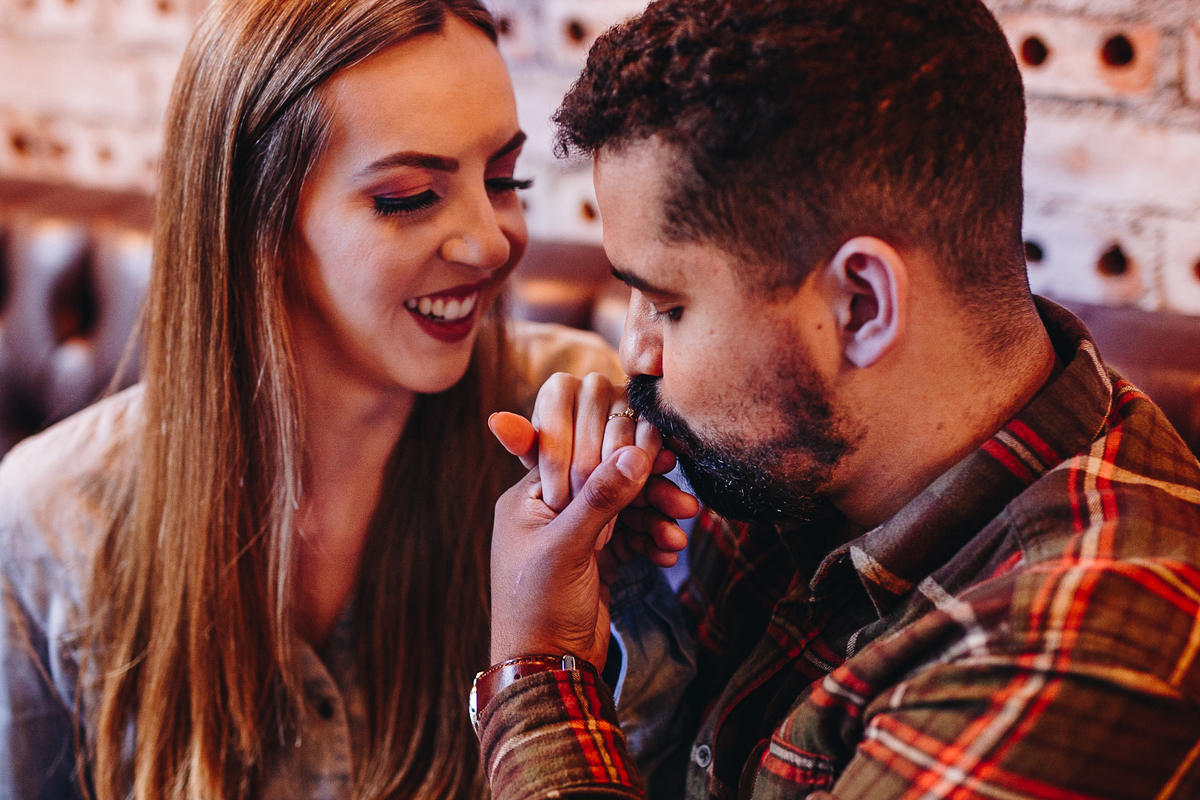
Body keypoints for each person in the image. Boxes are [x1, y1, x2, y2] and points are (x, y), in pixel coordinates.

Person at [478, 0, 1200, 797]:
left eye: (670, 307)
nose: (634, 355)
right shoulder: (791, 453)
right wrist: (633, 615)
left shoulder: (1080, 648)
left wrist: (536, 669)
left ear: (860, 305)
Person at [0, 0, 625, 798]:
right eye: (407, 197)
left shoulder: (563, 431)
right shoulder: (52, 515)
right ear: (256, 219)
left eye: (504, 179)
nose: (492, 240)